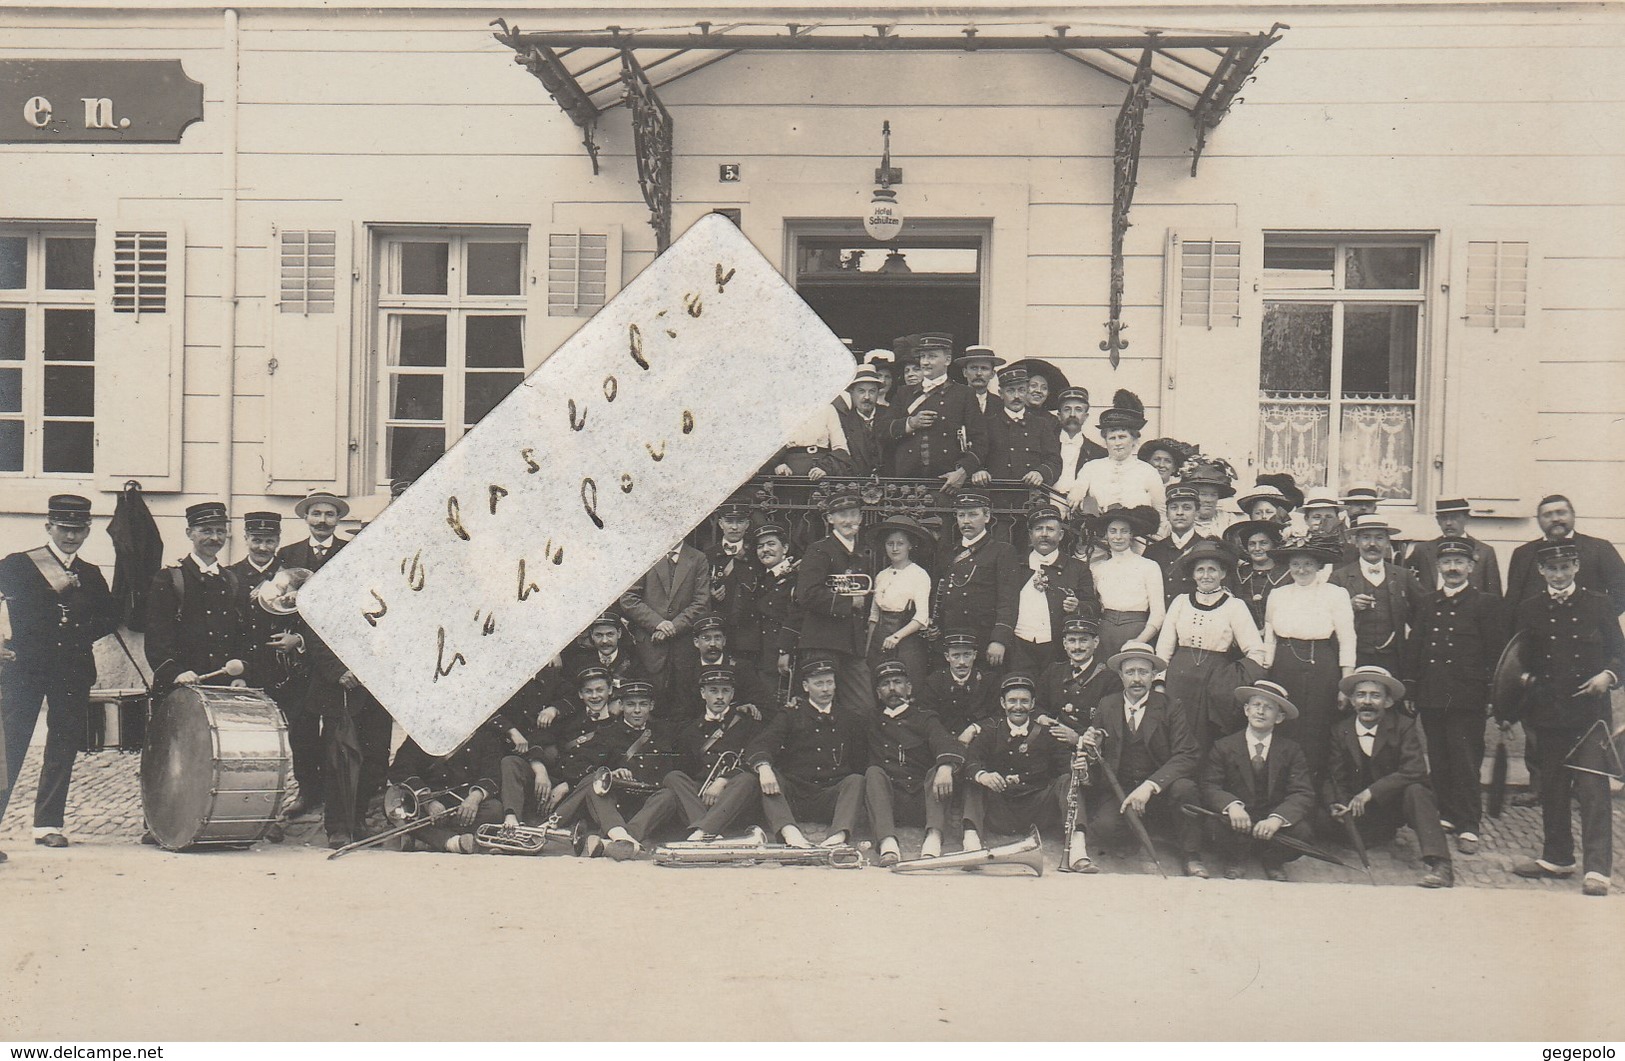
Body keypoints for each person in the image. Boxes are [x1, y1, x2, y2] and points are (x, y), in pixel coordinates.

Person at [1505, 541, 1624, 896]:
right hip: (1548, 714)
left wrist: (1608, 676)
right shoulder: (1529, 609)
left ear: (1576, 568)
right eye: (1551, 569)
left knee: (1592, 791)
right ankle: (1557, 858)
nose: (1559, 575)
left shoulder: (1599, 605)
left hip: (1590, 717)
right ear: (1541, 572)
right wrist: (1523, 688)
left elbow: (1621, 655)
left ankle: (1598, 871)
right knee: (1553, 789)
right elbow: (1517, 661)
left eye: (1565, 567)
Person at [0, 495, 118, 849]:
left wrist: (80, 634)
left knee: (63, 745)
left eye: (78, 530)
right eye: (65, 529)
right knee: (9, 745)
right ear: (49, 526)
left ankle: (48, 824)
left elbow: (110, 617)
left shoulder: (92, 575)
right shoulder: (17, 565)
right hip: (25, 668)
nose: (71, 537)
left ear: (87, 530)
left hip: (72, 670)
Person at [1403, 537, 1507, 853]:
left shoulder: (1486, 604)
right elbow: (1416, 646)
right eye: (1446, 563)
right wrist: (1411, 687)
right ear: (1438, 567)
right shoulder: (1429, 603)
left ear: (1471, 567)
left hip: (1467, 696)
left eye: (1459, 563)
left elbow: (1496, 655)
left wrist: (1492, 695)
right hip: (1432, 693)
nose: (1452, 568)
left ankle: (1469, 824)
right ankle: (1447, 814)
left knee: (1465, 759)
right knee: (1439, 755)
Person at [1080, 641, 1206, 877]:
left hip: (1160, 789)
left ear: (1154, 675)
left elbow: (1187, 754)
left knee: (1185, 788)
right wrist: (1090, 746)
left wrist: (1150, 786)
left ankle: (1191, 854)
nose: (1137, 679)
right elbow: (1096, 753)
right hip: (1121, 788)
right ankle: (1136, 837)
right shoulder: (1107, 705)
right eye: (1130, 672)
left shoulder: (1171, 707)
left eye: (1143, 672)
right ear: (1120, 675)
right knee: (1104, 829)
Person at [1325, 666, 1454, 888]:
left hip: (1392, 804)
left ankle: (1441, 864)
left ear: (1388, 702)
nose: (1367, 702)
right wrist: (1339, 803)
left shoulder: (1403, 726)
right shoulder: (1340, 730)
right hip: (1357, 809)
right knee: (1321, 819)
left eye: (1375, 696)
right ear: (1352, 701)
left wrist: (1370, 793)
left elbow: (1415, 770)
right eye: (1361, 695)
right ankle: (1372, 834)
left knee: (1417, 791)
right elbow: (1335, 776)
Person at [232, 511, 321, 819]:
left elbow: (311, 621)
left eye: (269, 541)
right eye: (256, 540)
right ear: (246, 540)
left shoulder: (293, 576)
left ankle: (307, 792)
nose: (262, 547)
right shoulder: (232, 576)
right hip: (251, 670)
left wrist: (297, 638)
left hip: (289, 671)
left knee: (301, 734)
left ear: (278, 542)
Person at [1199, 680, 1317, 881]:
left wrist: (1277, 819)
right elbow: (1210, 785)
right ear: (1246, 710)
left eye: (1269, 707)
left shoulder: (1291, 750)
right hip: (1238, 822)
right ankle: (1235, 858)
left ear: (1279, 717)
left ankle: (1272, 860)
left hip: (1271, 825)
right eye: (1256, 705)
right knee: (1213, 824)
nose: (1261, 712)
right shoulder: (1224, 746)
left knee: (1303, 832)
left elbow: (1302, 792)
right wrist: (1232, 806)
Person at [747, 658, 869, 849]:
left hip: (830, 799)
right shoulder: (790, 715)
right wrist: (763, 767)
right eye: (818, 683)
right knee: (770, 776)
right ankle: (791, 835)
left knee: (856, 780)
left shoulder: (849, 719)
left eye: (830, 682)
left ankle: (837, 838)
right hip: (795, 798)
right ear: (805, 686)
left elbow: (861, 762)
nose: (825, 689)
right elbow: (761, 744)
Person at [1156, 541, 1267, 751]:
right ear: (1193, 574)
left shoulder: (1235, 606)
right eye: (1200, 570)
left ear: (1223, 573)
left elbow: (1256, 651)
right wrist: (1160, 682)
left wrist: (1230, 681)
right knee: (1175, 735)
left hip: (1215, 684)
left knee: (1207, 741)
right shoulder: (1180, 602)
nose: (1206, 575)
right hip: (1179, 680)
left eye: (1212, 570)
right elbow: (1164, 648)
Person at [1261, 538, 1356, 783]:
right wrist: (1266, 671)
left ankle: (1314, 790)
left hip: (1321, 664)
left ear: (1319, 566)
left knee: (1317, 727)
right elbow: (1270, 636)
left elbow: (1347, 638)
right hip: (1283, 664)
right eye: (1295, 564)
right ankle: (1283, 787)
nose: (1301, 570)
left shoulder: (1335, 594)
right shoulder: (1277, 594)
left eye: (1308, 564)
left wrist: (1346, 682)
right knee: (1284, 725)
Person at [961, 673, 1077, 865]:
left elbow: (1066, 767)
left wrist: (1078, 765)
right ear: (1002, 703)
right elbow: (970, 760)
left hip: (1037, 811)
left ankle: (1076, 847)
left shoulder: (1047, 735)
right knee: (975, 781)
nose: (1018, 706)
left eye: (1024, 701)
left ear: (1033, 705)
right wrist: (983, 776)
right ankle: (971, 845)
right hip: (1001, 810)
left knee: (1067, 781)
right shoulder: (990, 732)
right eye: (1012, 701)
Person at [863, 660, 963, 863]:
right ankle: (888, 845)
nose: (892, 689)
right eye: (885, 684)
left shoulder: (925, 718)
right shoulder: (869, 720)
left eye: (898, 682)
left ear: (909, 688)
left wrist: (945, 767)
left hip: (923, 802)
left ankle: (933, 839)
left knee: (938, 770)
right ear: (878, 693)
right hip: (890, 804)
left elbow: (946, 743)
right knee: (873, 772)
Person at [143, 502, 246, 696]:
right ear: (189, 533)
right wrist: (175, 672)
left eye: (220, 531)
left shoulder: (230, 580)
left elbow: (240, 633)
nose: (215, 538)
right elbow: (156, 637)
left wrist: (240, 673)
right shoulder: (170, 577)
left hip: (222, 687)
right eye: (206, 531)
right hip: (180, 686)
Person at [657, 665, 766, 842]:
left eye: (725, 691)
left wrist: (722, 781)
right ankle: (708, 831)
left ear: (732, 694)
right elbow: (687, 770)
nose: (720, 697)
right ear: (703, 693)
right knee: (673, 776)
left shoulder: (748, 723)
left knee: (748, 779)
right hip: (700, 797)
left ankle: (703, 831)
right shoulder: (690, 730)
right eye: (713, 691)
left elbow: (752, 760)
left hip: (733, 794)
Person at [795, 489, 878, 714]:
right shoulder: (819, 550)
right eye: (842, 515)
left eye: (853, 514)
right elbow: (806, 594)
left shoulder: (864, 552)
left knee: (863, 708)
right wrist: (848, 603)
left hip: (852, 644)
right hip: (823, 642)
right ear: (830, 519)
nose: (849, 520)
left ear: (861, 518)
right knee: (820, 707)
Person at [580, 681, 679, 859]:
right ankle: (623, 839)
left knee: (669, 796)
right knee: (595, 788)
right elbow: (587, 766)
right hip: (619, 803)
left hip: (649, 806)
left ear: (652, 706)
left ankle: (616, 842)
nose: (637, 710)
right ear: (621, 705)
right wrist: (612, 772)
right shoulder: (607, 732)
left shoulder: (664, 733)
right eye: (631, 704)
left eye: (643, 704)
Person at [1327, 514, 1428, 674]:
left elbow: (1424, 612)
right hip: (1353, 659)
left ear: (1388, 542)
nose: (1372, 544)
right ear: (1356, 541)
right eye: (1366, 538)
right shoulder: (1339, 576)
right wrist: (1349, 606)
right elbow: (1324, 617)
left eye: (1379, 538)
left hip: (1393, 660)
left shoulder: (1403, 576)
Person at [885, 332, 987, 489]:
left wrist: (963, 471)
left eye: (932, 356)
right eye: (923, 356)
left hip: (948, 483)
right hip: (908, 485)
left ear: (947, 360)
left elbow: (981, 441)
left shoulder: (964, 394)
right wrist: (910, 423)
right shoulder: (903, 393)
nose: (925, 362)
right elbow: (882, 430)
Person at [933, 493, 1022, 671]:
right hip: (952, 639)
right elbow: (938, 594)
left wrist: (999, 639)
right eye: (961, 515)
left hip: (984, 640)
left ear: (987, 516)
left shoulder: (1002, 551)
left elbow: (1008, 601)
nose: (966, 521)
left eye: (973, 514)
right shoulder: (949, 552)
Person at [1007, 504, 1096, 675]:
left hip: (1055, 648)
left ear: (1061, 534)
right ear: (1030, 534)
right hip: (1019, 646)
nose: (1044, 534)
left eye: (1050, 529)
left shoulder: (1077, 568)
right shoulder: (1016, 564)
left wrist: (1077, 606)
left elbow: (1093, 606)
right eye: (1038, 529)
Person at [618, 538, 710, 700]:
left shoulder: (698, 558)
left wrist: (673, 627)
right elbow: (628, 598)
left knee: (683, 703)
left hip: (683, 647)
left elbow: (701, 603)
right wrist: (658, 623)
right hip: (649, 647)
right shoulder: (646, 556)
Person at [388, 729, 506, 854]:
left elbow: (492, 774)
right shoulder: (421, 734)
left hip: (463, 803)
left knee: (495, 810)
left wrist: (474, 799)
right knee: (397, 808)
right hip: (428, 801)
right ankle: (451, 842)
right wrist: (428, 801)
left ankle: (427, 836)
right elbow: (400, 769)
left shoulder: (484, 734)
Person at [1505, 494, 1625, 613]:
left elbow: (1622, 592)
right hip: (1538, 630)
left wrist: (1597, 621)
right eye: (1547, 515)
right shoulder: (1523, 553)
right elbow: (1512, 601)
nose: (1555, 519)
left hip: (1587, 629)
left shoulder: (1599, 548)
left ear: (1573, 515)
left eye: (1561, 512)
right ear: (1538, 520)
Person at [1066, 391, 1165, 524]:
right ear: (1105, 441)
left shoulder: (1148, 472)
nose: (1117, 443)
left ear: (1134, 440)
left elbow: (1161, 513)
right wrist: (1077, 493)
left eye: (1122, 437)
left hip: (1139, 540)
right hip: (1100, 539)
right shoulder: (1092, 467)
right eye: (1112, 438)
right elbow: (1078, 490)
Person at [1086, 505, 1165, 661]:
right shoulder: (1098, 569)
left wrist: (1138, 641)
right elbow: (1094, 606)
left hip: (1137, 631)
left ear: (1131, 535)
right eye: (1113, 531)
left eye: (1124, 531)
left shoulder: (1148, 566)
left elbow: (1158, 614)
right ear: (1106, 535)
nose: (1118, 537)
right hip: (1105, 634)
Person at [866, 514, 933, 687]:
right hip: (879, 642)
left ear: (910, 546)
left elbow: (922, 617)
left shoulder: (918, 574)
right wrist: (869, 648)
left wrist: (896, 637)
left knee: (907, 686)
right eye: (890, 544)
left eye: (900, 543)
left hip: (907, 642)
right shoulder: (881, 576)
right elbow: (874, 615)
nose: (895, 548)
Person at [665, 614, 768, 724]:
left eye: (717, 638)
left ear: (724, 641)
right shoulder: (686, 672)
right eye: (706, 638)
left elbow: (762, 706)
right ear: (696, 642)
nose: (713, 644)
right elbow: (679, 715)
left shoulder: (741, 668)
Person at [1037, 616, 1123, 744]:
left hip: (1088, 751)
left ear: (1095, 642)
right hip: (1052, 746)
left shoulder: (1110, 679)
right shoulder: (1053, 671)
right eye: (1072, 641)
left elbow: (1111, 727)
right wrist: (1042, 718)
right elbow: (1038, 705)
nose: (1077, 647)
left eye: (1083, 641)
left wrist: (1079, 739)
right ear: (1064, 644)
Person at [976, 365, 1061, 487]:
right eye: (1010, 390)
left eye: (1021, 390)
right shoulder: (988, 424)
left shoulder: (1041, 425)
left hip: (1031, 497)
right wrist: (979, 471)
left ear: (1026, 392)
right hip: (996, 496)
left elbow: (1055, 461)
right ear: (1001, 394)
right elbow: (976, 457)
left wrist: (1041, 473)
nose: (1016, 396)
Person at [1143, 484, 1225, 604]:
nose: (1179, 513)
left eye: (1186, 508)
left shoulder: (1209, 549)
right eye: (1174, 508)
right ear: (1167, 514)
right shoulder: (1152, 552)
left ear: (1197, 513)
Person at [1404, 498, 1503, 596]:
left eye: (1454, 517)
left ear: (1466, 518)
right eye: (1443, 518)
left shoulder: (1484, 552)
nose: (1448, 523)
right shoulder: (1423, 550)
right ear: (1437, 520)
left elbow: (1494, 596)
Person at [747, 523, 799, 705]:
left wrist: (786, 652)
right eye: (760, 546)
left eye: (771, 544)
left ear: (784, 548)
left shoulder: (796, 578)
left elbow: (795, 617)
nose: (765, 550)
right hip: (764, 656)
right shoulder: (761, 579)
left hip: (784, 657)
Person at [920, 633, 1001, 740]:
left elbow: (998, 716)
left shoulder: (989, 681)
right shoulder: (934, 682)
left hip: (980, 740)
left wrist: (974, 729)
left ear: (975, 655)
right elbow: (928, 717)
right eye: (956, 656)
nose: (962, 662)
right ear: (947, 657)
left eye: (967, 655)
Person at [704, 499, 757, 655]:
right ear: (720, 524)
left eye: (740, 522)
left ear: (747, 524)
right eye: (729, 521)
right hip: (718, 631)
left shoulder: (755, 554)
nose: (734, 527)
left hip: (748, 633)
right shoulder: (707, 555)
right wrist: (709, 595)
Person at [1229, 519, 1289, 628]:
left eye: (1263, 543)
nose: (1257, 548)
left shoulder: (1286, 574)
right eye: (1252, 544)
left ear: (1273, 545)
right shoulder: (1239, 574)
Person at [1053, 387, 1107, 503]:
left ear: (1085, 416)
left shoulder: (1098, 453)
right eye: (1067, 409)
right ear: (1059, 415)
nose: (1072, 414)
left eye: (1078, 409)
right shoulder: (1046, 445)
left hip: (1081, 515)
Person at [832, 365, 888, 477]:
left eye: (872, 391)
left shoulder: (889, 416)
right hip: (858, 485)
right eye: (861, 391)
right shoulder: (844, 423)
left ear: (878, 393)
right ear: (852, 393)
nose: (867, 397)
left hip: (890, 485)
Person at [771, 399, 849, 479]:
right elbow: (771, 447)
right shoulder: (782, 410)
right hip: (790, 471)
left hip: (819, 469)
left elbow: (840, 448)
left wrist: (826, 468)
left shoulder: (828, 409)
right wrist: (778, 465)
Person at [278, 490, 349, 573]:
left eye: (329, 514)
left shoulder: (349, 549)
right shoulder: (287, 553)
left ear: (337, 519)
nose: (322, 520)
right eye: (316, 514)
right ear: (306, 518)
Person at [1182, 458, 1240, 539]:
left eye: (1213, 495)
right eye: (1203, 494)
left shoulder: (1228, 520)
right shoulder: (1181, 519)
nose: (1209, 500)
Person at [1300, 488, 1358, 568]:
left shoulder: (1352, 552)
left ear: (1337, 519)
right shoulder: (1298, 548)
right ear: (1306, 519)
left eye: (1329, 517)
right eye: (1317, 517)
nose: (1323, 522)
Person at [955, 345, 1004, 426]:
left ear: (992, 374)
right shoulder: (954, 401)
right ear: (965, 372)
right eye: (974, 368)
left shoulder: (1000, 404)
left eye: (984, 368)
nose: (979, 373)